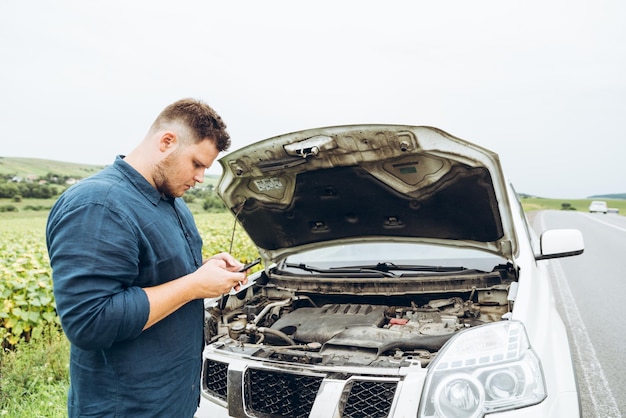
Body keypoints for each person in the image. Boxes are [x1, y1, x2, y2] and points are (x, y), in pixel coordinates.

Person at [46, 98, 248, 417]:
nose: (200, 178)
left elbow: (162, 277)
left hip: (172, 401)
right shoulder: (98, 205)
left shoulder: (172, 202)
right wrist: (194, 285)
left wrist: (204, 271)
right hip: (126, 407)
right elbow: (89, 321)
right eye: (197, 163)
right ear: (167, 142)